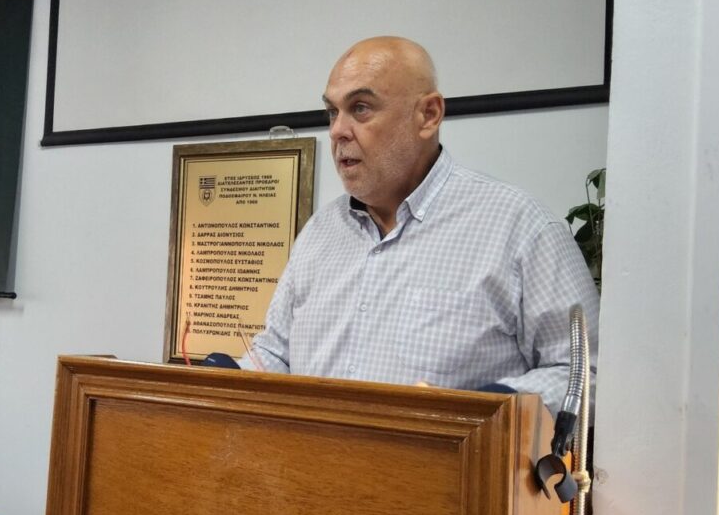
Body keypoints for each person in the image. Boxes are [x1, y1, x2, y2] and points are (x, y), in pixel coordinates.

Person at [240, 36, 599, 415]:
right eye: (332, 112)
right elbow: (276, 353)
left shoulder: (520, 227)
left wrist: (492, 409)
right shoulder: (319, 232)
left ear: (428, 115)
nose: (337, 131)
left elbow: (584, 373)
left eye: (360, 108)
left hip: (459, 454)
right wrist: (229, 377)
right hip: (313, 454)